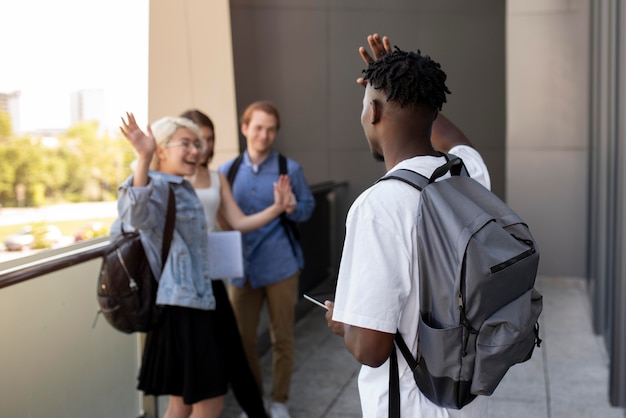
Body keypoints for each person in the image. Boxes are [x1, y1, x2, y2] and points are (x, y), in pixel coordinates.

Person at [324, 34, 491, 417]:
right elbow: (457, 141)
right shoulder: (468, 177)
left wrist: (342, 323)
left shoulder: (378, 206)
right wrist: (415, 92)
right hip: (465, 398)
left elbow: (370, 348)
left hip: (410, 405)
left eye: (366, 104)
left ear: (374, 113)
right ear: (432, 113)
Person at [116, 112, 292, 418]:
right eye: (187, 143)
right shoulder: (159, 186)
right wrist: (143, 158)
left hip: (197, 296)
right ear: (160, 149)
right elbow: (134, 216)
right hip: (185, 305)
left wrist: (278, 207)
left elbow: (234, 222)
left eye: (199, 144)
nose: (197, 151)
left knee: (182, 403)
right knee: (209, 403)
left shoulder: (179, 185)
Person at [181, 108, 294, 418]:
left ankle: (260, 409)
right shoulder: (170, 178)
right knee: (185, 388)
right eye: (195, 140)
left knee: (234, 353)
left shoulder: (217, 177)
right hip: (179, 284)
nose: (202, 147)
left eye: (209, 139)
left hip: (211, 278)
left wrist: (277, 208)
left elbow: (238, 221)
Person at [217, 101, 316, 418]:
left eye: (271, 129)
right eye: (258, 127)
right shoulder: (226, 172)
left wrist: (290, 207)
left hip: (280, 266)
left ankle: (279, 402)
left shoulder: (290, 169)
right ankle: (254, 402)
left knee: (282, 339)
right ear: (245, 128)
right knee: (244, 343)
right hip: (240, 269)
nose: (264, 134)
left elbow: (308, 208)